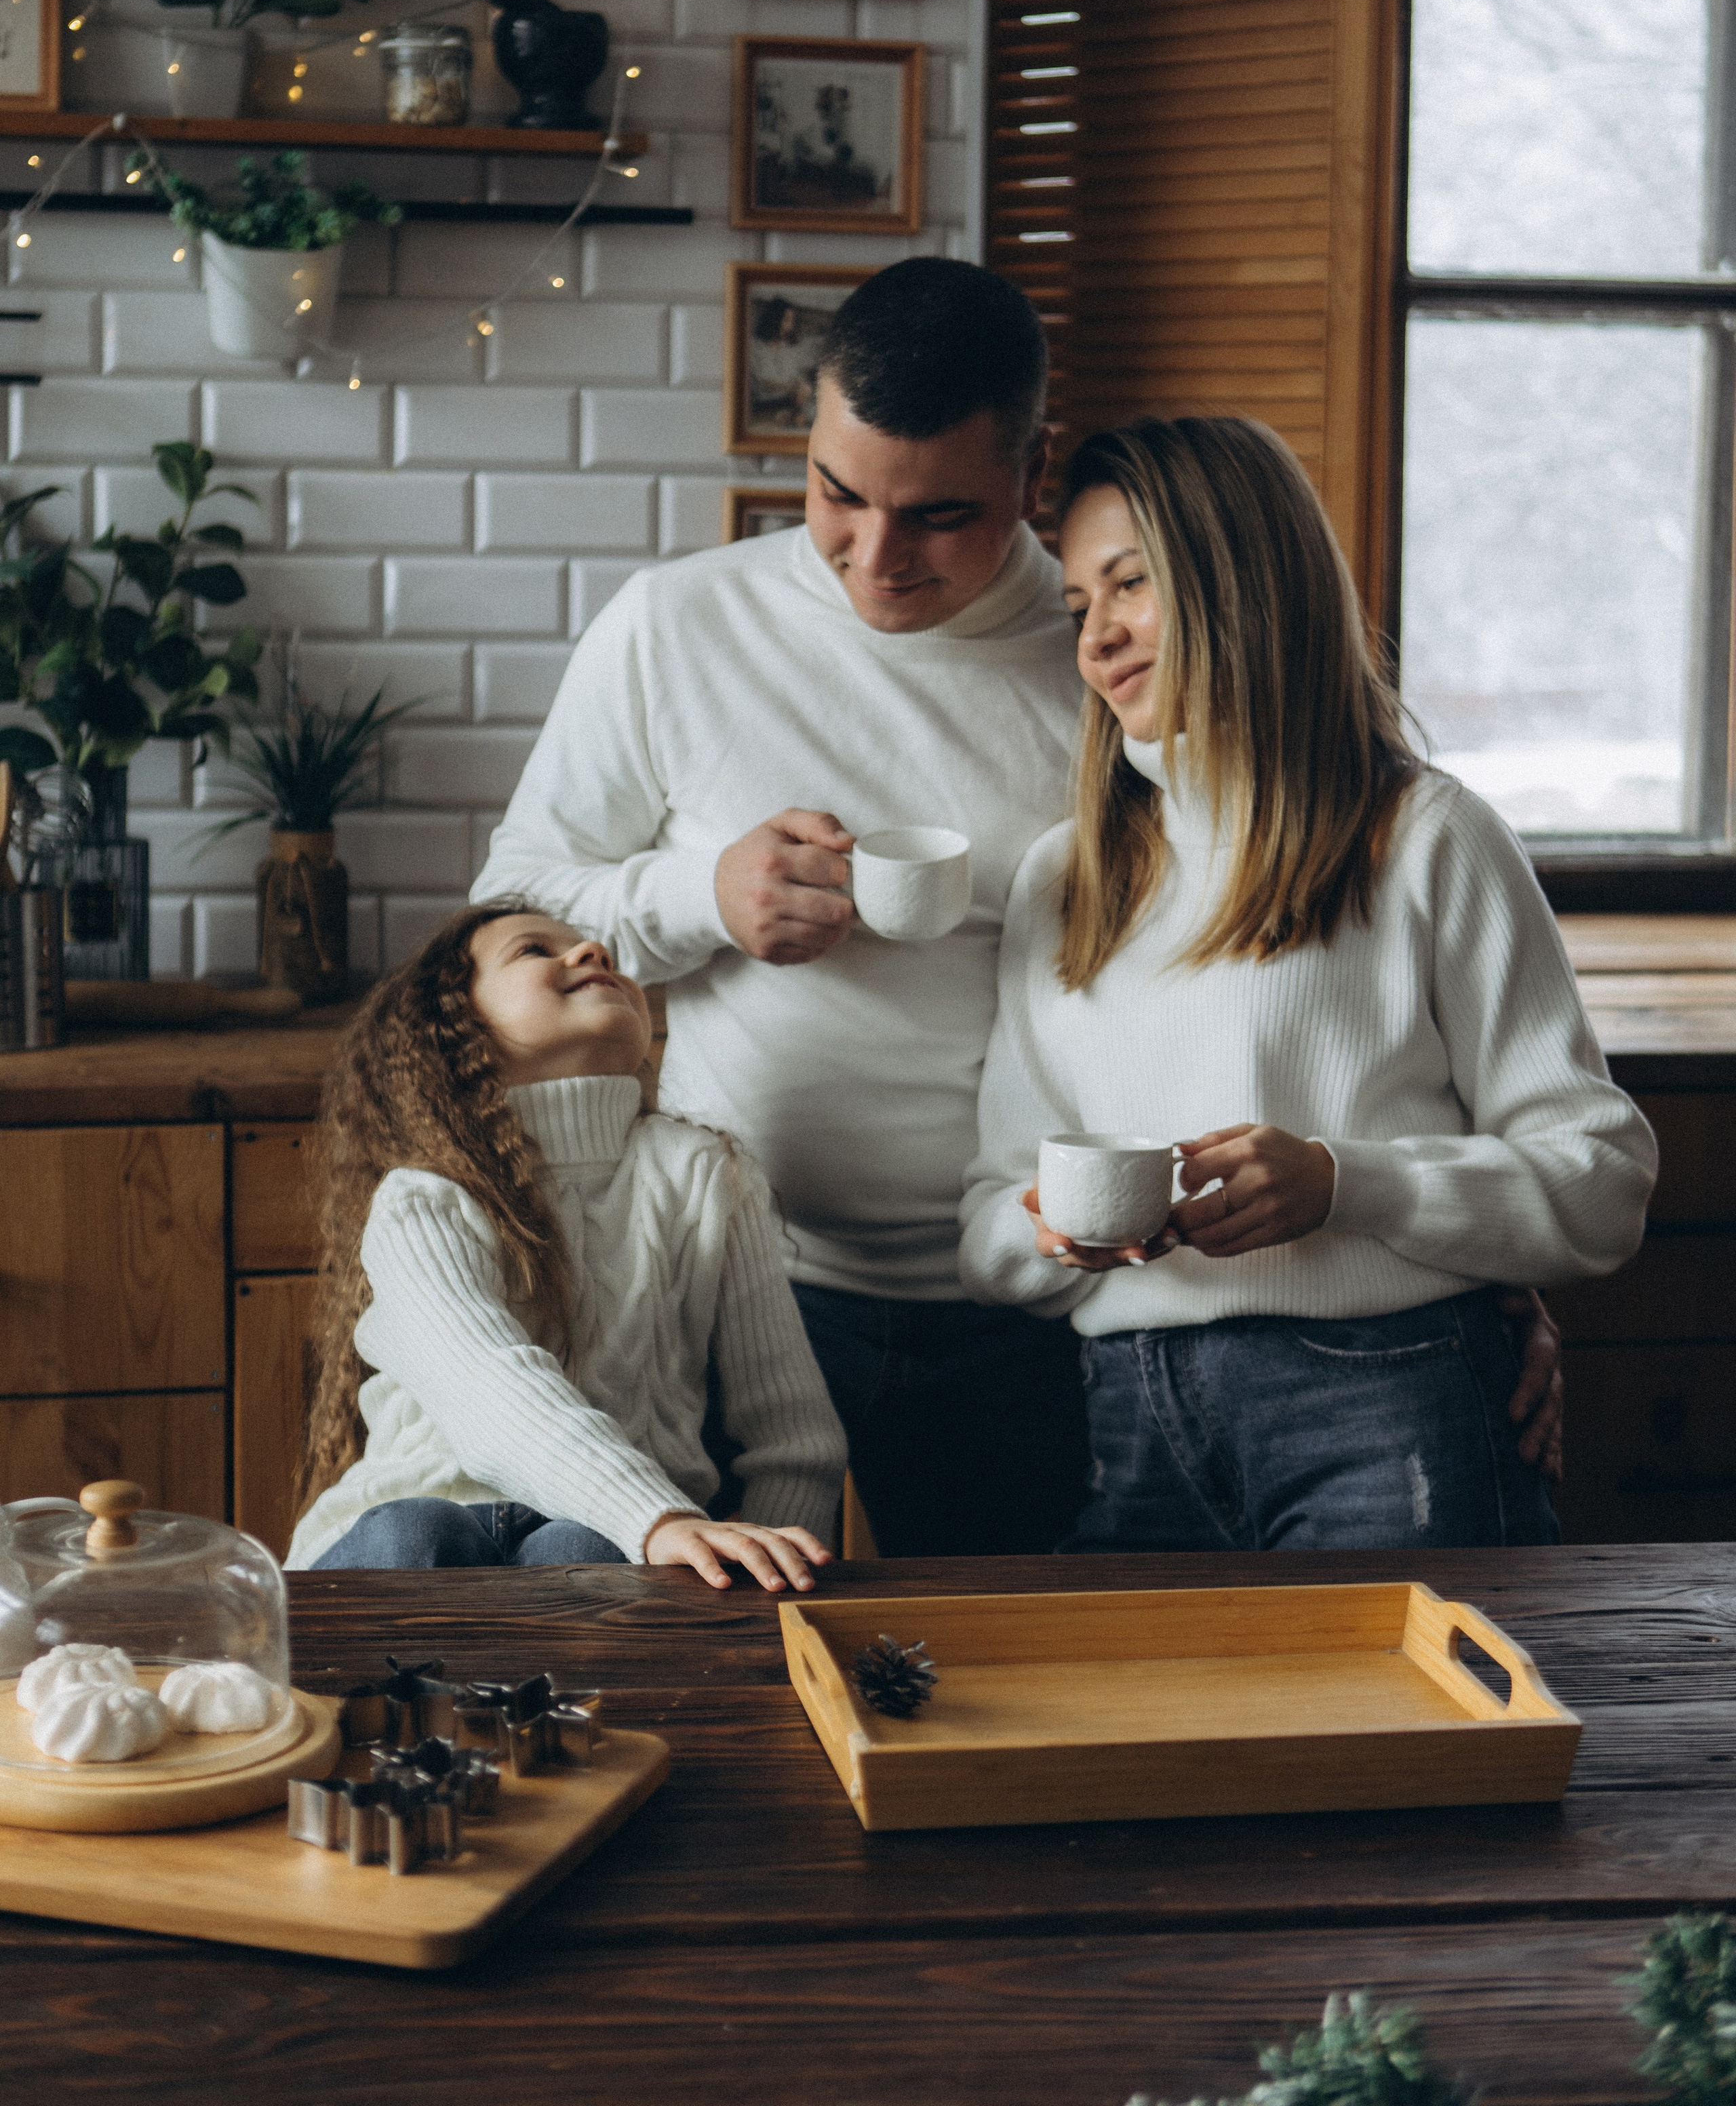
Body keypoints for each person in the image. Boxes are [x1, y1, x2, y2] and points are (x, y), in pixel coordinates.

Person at [476, 259, 1564, 1555]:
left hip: (1039, 1323)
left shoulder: (1121, 662)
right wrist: (698, 895)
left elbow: (1315, 981)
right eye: (837, 494)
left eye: (939, 514)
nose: (876, 558)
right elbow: (501, 915)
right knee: (727, 1680)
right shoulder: (674, 626)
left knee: (1008, 1708)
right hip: (734, 1286)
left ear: (1034, 470)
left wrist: (1471, 1280)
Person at [960, 416, 1652, 1551]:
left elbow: (1599, 1182)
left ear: (1238, 576)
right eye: (1082, 609)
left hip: (1392, 1406)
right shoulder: (1064, 881)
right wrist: (1050, 1235)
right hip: (1126, 1418)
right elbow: (986, 1220)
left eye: (1129, 587)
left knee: (1405, 1738)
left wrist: (1345, 1184)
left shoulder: (1426, 838)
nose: (1098, 642)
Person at [287, 900, 845, 1591]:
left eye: (598, 947)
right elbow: (490, 1388)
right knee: (416, 1532)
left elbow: (795, 1441)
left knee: (582, 1550)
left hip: (620, 1544)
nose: (591, 955)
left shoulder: (710, 1177)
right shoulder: (424, 1199)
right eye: (533, 951)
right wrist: (657, 1516)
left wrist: (761, 1591)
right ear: (454, 1028)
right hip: (412, 1543)